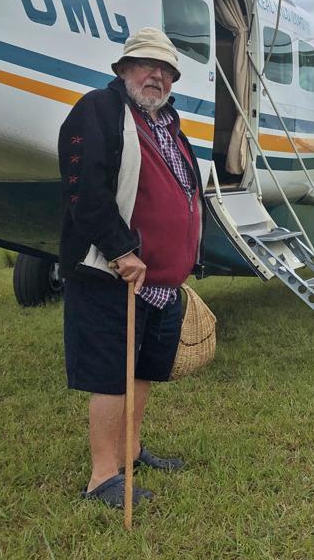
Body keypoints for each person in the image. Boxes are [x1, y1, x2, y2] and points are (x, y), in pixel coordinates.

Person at [58, 27, 204, 509]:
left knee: (140, 371)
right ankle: (103, 476)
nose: (157, 76)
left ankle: (131, 450)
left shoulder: (169, 123)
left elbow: (184, 192)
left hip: (160, 281)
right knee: (110, 374)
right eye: (147, 65)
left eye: (166, 70)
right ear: (123, 69)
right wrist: (121, 250)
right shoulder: (99, 110)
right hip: (113, 272)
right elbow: (85, 190)